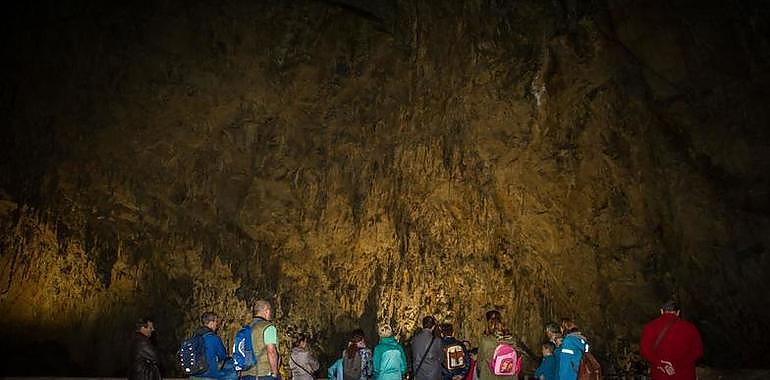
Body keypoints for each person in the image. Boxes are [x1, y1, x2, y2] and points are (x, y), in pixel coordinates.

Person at [640, 301, 703, 380]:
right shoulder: (690, 328)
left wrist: (661, 364)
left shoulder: (650, 327)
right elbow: (698, 351)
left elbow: (645, 351)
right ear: (678, 312)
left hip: (660, 375)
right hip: (685, 375)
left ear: (662, 311)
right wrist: (677, 365)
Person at [240, 300, 280, 380]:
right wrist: (275, 373)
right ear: (267, 311)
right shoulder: (268, 327)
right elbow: (271, 352)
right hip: (263, 374)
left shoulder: (246, 328)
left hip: (246, 374)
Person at [191, 312, 236, 380]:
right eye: (216, 322)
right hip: (209, 374)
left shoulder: (194, 337)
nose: (217, 325)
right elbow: (222, 356)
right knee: (234, 373)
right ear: (211, 323)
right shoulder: (213, 338)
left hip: (195, 373)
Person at [477, 310, 518, 380]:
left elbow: (480, 361)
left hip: (489, 375)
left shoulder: (486, 340)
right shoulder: (512, 339)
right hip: (509, 376)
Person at [412, 316, 442, 380]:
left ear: (422, 325)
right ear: (433, 327)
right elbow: (441, 358)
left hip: (418, 373)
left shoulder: (414, 339)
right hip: (432, 375)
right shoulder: (437, 341)